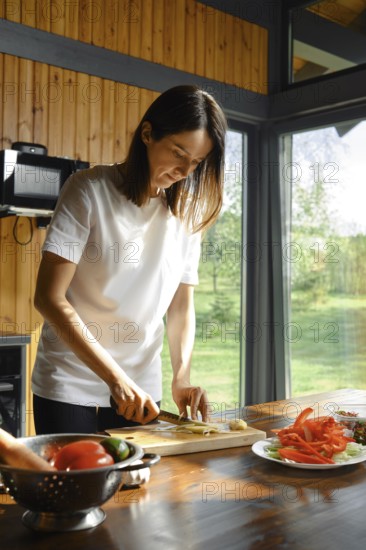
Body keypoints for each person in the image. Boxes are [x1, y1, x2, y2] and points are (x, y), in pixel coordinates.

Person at [31, 85, 227, 434]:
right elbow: (49, 297)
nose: (185, 169)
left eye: (196, 162)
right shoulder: (88, 190)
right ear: (148, 134)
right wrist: (115, 378)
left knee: (138, 488)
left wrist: (181, 377)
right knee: (79, 487)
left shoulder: (187, 213)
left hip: (141, 388)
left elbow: (180, 307)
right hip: (70, 382)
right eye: (179, 153)